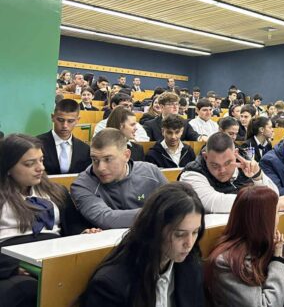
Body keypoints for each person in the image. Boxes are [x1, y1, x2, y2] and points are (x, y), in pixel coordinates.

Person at [0, 134, 97, 307]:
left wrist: (84, 233)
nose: (40, 168)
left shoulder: (55, 191)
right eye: (29, 163)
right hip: (13, 263)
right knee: (27, 289)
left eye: (41, 160)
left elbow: (73, 224)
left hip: (55, 256)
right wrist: (12, 266)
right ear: (8, 167)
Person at [80, 182, 205, 307]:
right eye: (179, 234)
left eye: (195, 232)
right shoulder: (111, 285)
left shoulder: (191, 266)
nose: (189, 243)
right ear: (156, 229)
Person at [205, 186, 284, 307]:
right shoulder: (226, 263)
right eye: (276, 212)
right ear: (263, 219)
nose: (279, 218)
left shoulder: (268, 246)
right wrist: (278, 261)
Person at [71, 129, 168, 229]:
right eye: (95, 160)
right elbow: (106, 219)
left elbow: (172, 203)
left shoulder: (151, 172)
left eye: (108, 159)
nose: (100, 168)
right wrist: (159, 213)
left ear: (126, 155)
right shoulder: (82, 185)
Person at [179, 132, 284, 213]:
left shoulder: (245, 163)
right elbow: (213, 202)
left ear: (235, 153)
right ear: (205, 156)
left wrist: (257, 176)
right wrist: (267, 204)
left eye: (228, 163)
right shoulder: (192, 173)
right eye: (215, 165)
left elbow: (274, 194)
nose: (222, 170)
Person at [36, 99, 90, 175]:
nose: (65, 125)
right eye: (60, 120)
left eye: (70, 121)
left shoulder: (84, 149)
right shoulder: (36, 144)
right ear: (52, 117)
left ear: (77, 120)